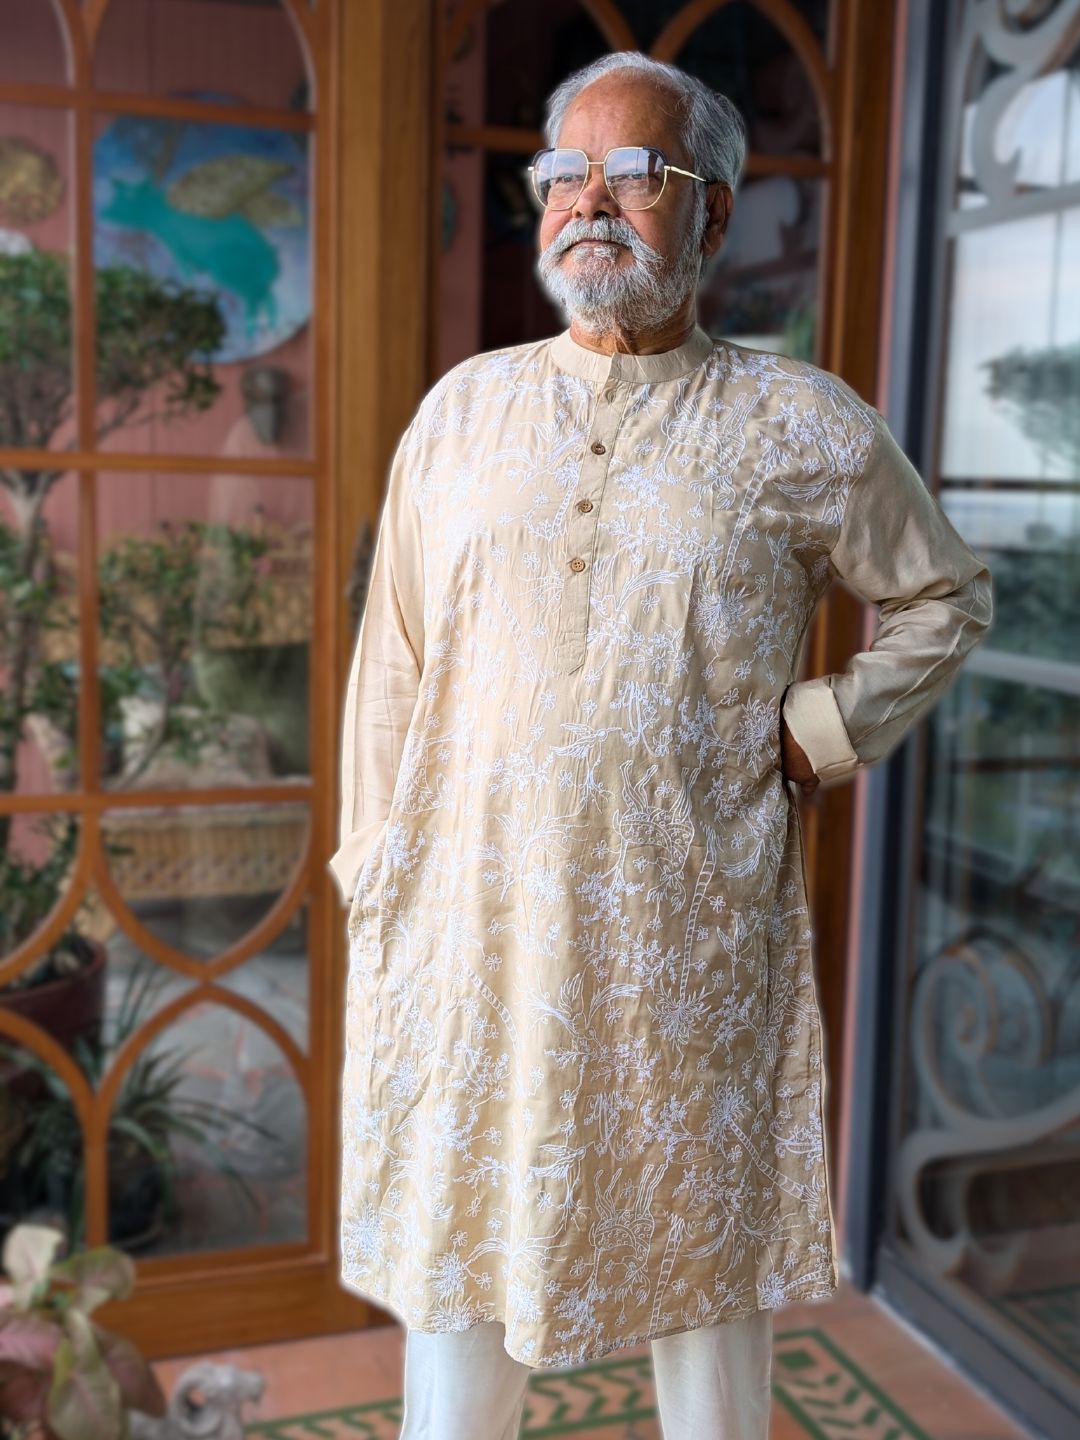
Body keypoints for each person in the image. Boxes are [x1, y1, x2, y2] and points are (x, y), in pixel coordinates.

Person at [330, 51, 993, 1440]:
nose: (589, 204)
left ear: (717, 213)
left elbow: (946, 593)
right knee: (465, 1284)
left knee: (706, 1300)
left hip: (684, 940)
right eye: (563, 175)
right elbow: (392, 660)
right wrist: (371, 859)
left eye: (635, 175)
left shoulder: (798, 423)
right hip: (476, 934)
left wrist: (819, 732)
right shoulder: (461, 414)